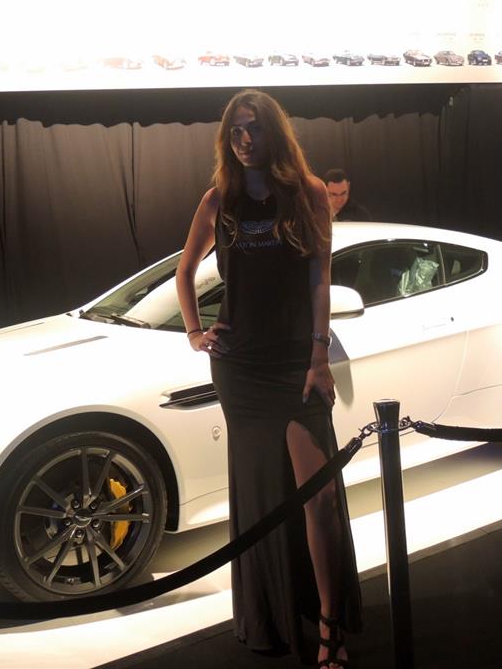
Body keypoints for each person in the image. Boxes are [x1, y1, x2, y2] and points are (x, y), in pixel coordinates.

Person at [176, 90, 362, 669]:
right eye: (235, 131)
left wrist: (318, 354)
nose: (245, 139)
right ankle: (269, 616)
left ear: (274, 132)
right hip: (241, 367)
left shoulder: (308, 192)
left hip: (294, 363)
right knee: (260, 498)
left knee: (320, 498)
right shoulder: (219, 199)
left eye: (254, 128)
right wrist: (194, 332)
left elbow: (320, 279)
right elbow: (184, 270)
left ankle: (329, 623)